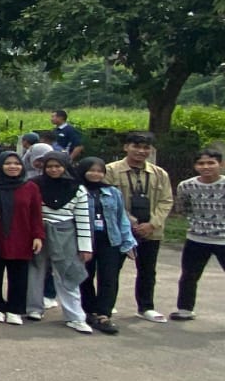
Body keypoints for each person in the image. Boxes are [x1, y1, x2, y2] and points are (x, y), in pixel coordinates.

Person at [105, 132, 174, 323]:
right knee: (111, 269)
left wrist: (152, 223)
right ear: (126, 147)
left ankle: (146, 307)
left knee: (147, 270)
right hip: (119, 230)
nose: (141, 151)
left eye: (146, 148)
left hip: (150, 231)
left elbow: (166, 200)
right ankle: (106, 305)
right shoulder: (110, 171)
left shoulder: (159, 174)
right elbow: (107, 198)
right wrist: (130, 222)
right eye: (136, 146)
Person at [24, 152, 93, 332]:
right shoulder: (34, 185)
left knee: (67, 273)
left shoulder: (77, 188)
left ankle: (75, 316)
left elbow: (83, 219)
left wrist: (85, 247)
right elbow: (29, 211)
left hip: (66, 234)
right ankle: (33, 308)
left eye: (58, 166)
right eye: (49, 166)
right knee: (35, 270)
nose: (53, 170)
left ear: (65, 167)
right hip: (39, 233)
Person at [0, 152, 45, 325]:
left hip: (22, 235)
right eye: (7, 163)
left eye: (17, 163)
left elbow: (36, 214)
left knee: (19, 274)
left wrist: (38, 236)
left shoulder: (30, 187)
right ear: (0, 166)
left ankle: (15, 309)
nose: (13, 166)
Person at [76, 157, 136, 335]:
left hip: (110, 241)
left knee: (109, 278)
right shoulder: (76, 190)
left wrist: (128, 242)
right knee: (85, 277)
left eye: (99, 171)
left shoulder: (112, 192)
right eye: (91, 170)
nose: (96, 174)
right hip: (85, 241)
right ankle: (89, 311)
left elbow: (121, 218)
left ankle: (104, 314)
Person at [171, 150, 225, 322]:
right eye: (201, 163)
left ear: (220, 164)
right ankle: (185, 309)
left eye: (211, 163)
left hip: (223, 239)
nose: (206, 167)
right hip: (197, 238)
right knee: (189, 275)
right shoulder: (186, 186)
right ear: (195, 166)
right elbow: (183, 208)